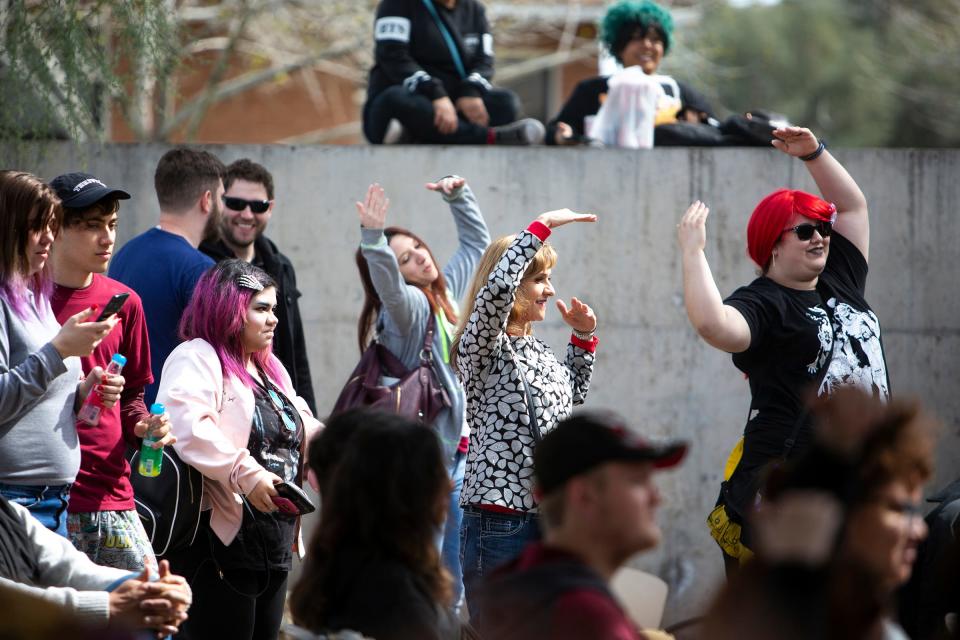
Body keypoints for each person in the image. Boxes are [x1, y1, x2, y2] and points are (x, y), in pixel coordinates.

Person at [676, 125, 889, 573]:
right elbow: (714, 325)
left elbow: (852, 206)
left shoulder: (840, 278)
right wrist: (693, 252)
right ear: (773, 244)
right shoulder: (764, 302)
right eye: (806, 230)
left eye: (823, 229)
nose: (821, 238)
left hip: (858, 476)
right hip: (792, 489)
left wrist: (815, 154)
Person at [156, 259, 321, 640]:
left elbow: (304, 424)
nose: (273, 319)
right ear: (229, 310)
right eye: (261, 309)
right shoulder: (197, 356)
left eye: (274, 309)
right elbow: (189, 428)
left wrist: (344, 451)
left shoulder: (270, 366)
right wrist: (247, 472)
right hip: (221, 544)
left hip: (274, 542)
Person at [450, 208, 599, 622]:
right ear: (515, 283)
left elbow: (573, 396)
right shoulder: (482, 346)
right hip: (500, 521)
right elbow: (495, 290)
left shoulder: (536, 349)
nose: (550, 290)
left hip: (547, 519)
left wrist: (583, 339)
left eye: (549, 279)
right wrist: (542, 226)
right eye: (539, 279)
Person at [353, 174, 490, 609]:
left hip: (458, 458)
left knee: (452, 583)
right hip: (421, 464)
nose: (420, 260)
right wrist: (373, 238)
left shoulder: (443, 294)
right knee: (422, 577)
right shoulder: (408, 311)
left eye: (418, 249)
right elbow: (390, 288)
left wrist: (457, 196)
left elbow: (475, 246)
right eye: (407, 260)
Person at [703, 391, 936, 640]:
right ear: (841, 511)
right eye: (898, 509)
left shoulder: (878, 626)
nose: (919, 530)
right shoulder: (770, 618)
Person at [47, 172, 176, 570]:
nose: (107, 238)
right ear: (54, 228)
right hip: (42, 498)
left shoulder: (124, 303)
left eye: (113, 224)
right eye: (92, 226)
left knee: (149, 617)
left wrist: (144, 427)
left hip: (111, 495)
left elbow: (134, 400)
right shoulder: (22, 298)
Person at [473, 410, 687, 640]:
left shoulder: (530, 586)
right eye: (638, 480)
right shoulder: (585, 618)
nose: (657, 498)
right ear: (584, 496)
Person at [0, 170, 121, 536]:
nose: (48, 237)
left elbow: (43, 397)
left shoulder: (34, 294)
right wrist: (59, 351)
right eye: (37, 226)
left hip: (54, 499)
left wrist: (85, 392)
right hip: (15, 500)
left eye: (52, 225)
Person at [289, 409, 462, 640]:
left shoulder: (342, 564)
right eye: (433, 475)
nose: (449, 485)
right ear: (402, 497)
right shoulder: (396, 601)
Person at [200, 158, 317, 415]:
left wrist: (309, 415)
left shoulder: (281, 266)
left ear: (270, 208)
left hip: (280, 407)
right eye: (236, 204)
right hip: (226, 407)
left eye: (258, 206)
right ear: (220, 202)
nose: (247, 214)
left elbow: (296, 352)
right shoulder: (203, 266)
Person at [109, 148, 224, 405]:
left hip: (127, 415)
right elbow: (218, 355)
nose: (223, 208)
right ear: (207, 200)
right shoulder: (200, 269)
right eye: (222, 198)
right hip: (171, 423)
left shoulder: (124, 254)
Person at [0, 493, 191, 637]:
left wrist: (157, 588)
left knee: (150, 609)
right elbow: (10, 603)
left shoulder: (9, 514)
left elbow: (68, 567)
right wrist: (105, 607)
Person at [363, 0, 545, 145]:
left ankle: (420, 135)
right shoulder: (396, 4)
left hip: (455, 105)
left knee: (505, 102)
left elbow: (485, 62)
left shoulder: (475, 10)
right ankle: (490, 137)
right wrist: (436, 94)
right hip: (407, 101)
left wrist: (471, 92)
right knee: (398, 99)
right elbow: (393, 56)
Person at [546, 0, 715, 147]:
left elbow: (717, 133)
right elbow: (554, 132)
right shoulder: (592, 91)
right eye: (636, 38)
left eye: (655, 39)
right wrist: (561, 136)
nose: (647, 45)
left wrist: (694, 128)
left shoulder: (680, 94)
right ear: (619, 46)